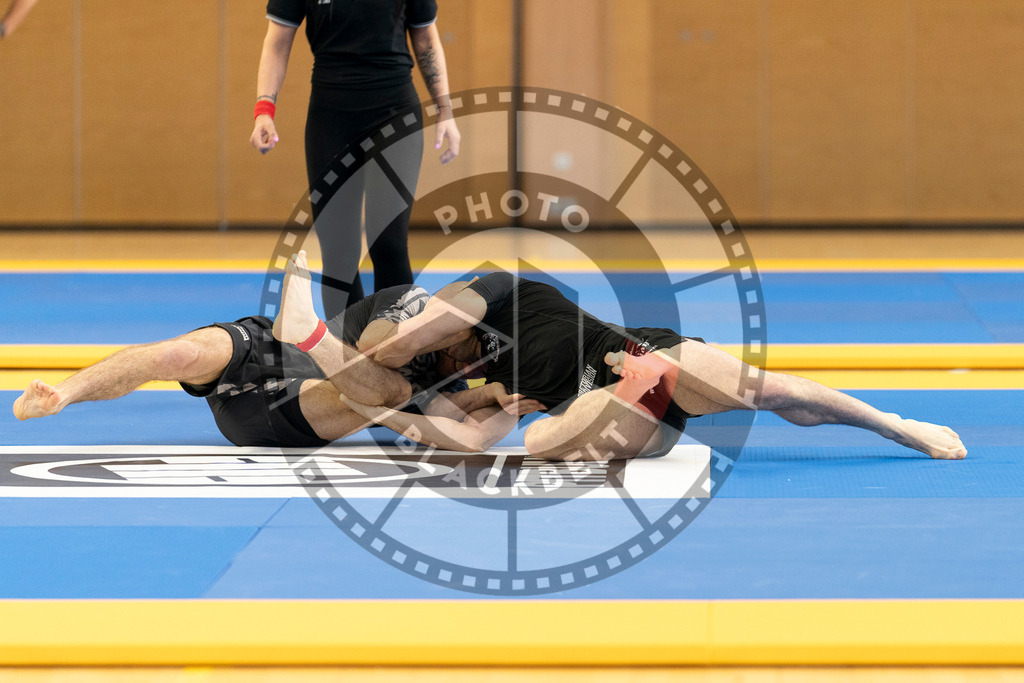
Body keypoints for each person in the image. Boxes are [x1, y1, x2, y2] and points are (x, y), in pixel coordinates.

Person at [338, 272, 969, 462]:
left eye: (441, 351)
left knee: (766, 391)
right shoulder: (485, 382)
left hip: (646, 350)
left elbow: (404, 342)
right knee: (540, 440)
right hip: (624, 405)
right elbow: (471, 432)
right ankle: (633, 391)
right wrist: (397, 411)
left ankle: (889, 422)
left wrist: (388, 342)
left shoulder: (500, 292)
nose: (449, 359)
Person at [11, 271, 535, 448]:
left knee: (390, 394)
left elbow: (458, 432)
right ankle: (65, 395)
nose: (461, 363)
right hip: (276, 346)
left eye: (476, 364)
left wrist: (488, 396)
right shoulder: (414, 306)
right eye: (464, 349)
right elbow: (380, 344)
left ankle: (307, 332)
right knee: (178, 352)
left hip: (286, 412)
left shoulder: (469, 377)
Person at [250, 0, 461, 318]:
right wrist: (264, 110)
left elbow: (426, 38)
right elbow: (277, 41)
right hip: (331, 120)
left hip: (395, 116)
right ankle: (345, 351)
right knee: (338, 251)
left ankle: (401, 348)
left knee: (387, 241)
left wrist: (445, 111)